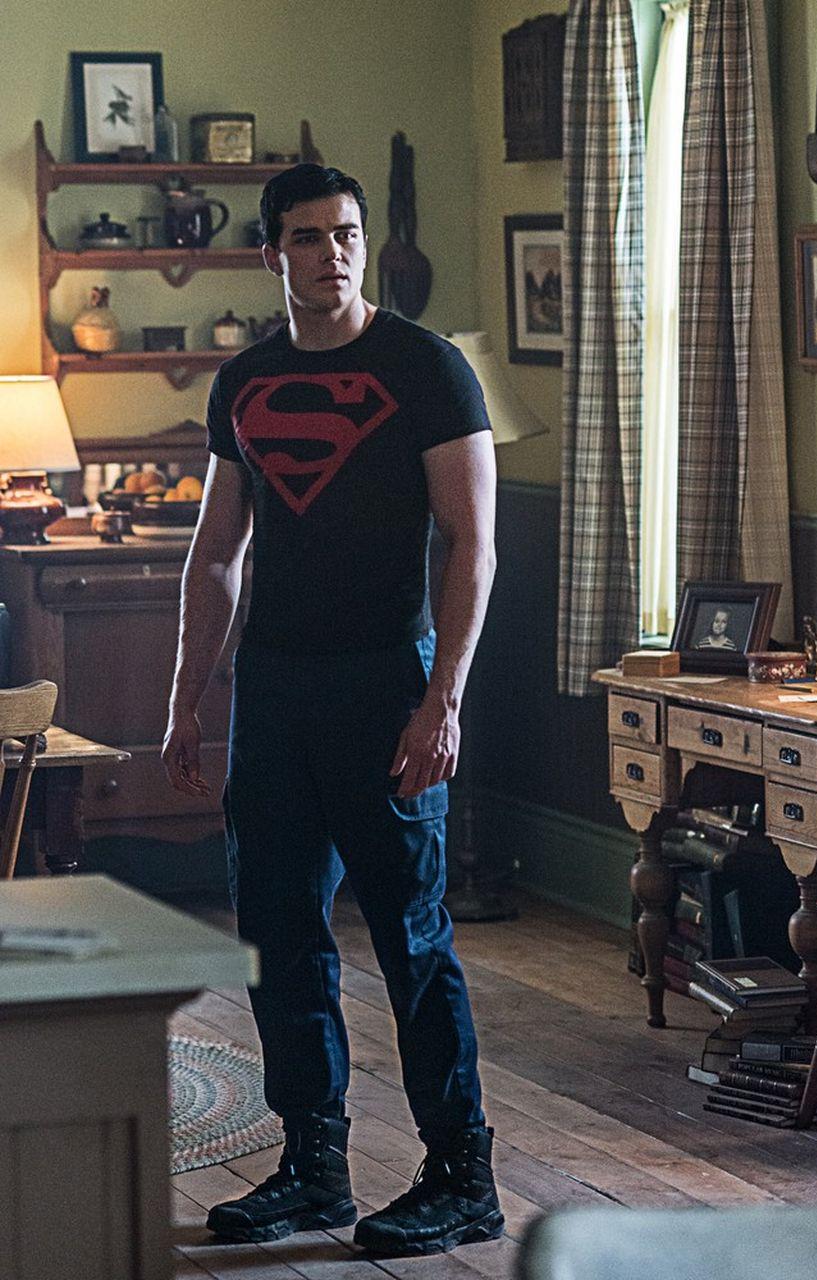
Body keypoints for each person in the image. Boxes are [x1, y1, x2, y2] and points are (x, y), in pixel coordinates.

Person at [162, 163, 502, 1258]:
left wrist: (442, 699)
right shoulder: (245, 381)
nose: (333, 254)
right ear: (272, 254)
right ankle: (313, 1170)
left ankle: (462, 1175)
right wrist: (186, 700)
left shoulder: (427, 368)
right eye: (308, 238)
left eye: (346, 234)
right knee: (278, 931)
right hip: (274, 688)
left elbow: (473, 545)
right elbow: (218, 553)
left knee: (410, 934)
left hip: (387, 681)